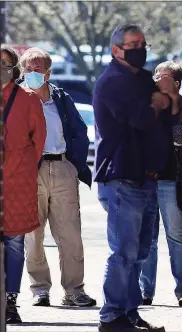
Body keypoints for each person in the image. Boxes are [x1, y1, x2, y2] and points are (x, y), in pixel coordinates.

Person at [93, 24, 170, 332]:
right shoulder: (112, 82)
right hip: (122, 177)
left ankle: (130, 314)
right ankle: (111, 316)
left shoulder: (141, 79)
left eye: (143, 43)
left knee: (139, 253)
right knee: (123, 252)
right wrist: (156, 103)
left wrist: (158, 103)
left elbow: (167, 110)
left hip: (146, 177)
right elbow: (140, 118)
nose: (140, 48)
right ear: (116, 50)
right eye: (132, 44)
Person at [20, 47, 96, 308]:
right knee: (34, 235)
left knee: (71, 235)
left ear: (48, 73)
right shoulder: (15, 99)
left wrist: (74, 166)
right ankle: (40, 289)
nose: (31, 74)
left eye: (37, 70)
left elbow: (79, 131)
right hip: (29, 173)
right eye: (27, 69)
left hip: (62, 168)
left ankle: (74, 291)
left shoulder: (61, 98)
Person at [139, 60, 182, 307]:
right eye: (156, 75)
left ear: (176, 83)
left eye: (163, 76)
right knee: (147, 239)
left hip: (173, 181)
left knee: (176, 238)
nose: (157, 79)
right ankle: (146, 291)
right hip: (147, 180)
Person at [2, 45, 46, 324]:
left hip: (17, 184)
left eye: (6, 64)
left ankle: (10, 301)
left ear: (14, 67)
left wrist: (21, 168)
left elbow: (38, 144)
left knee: (15, 244)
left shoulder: (29, 100)